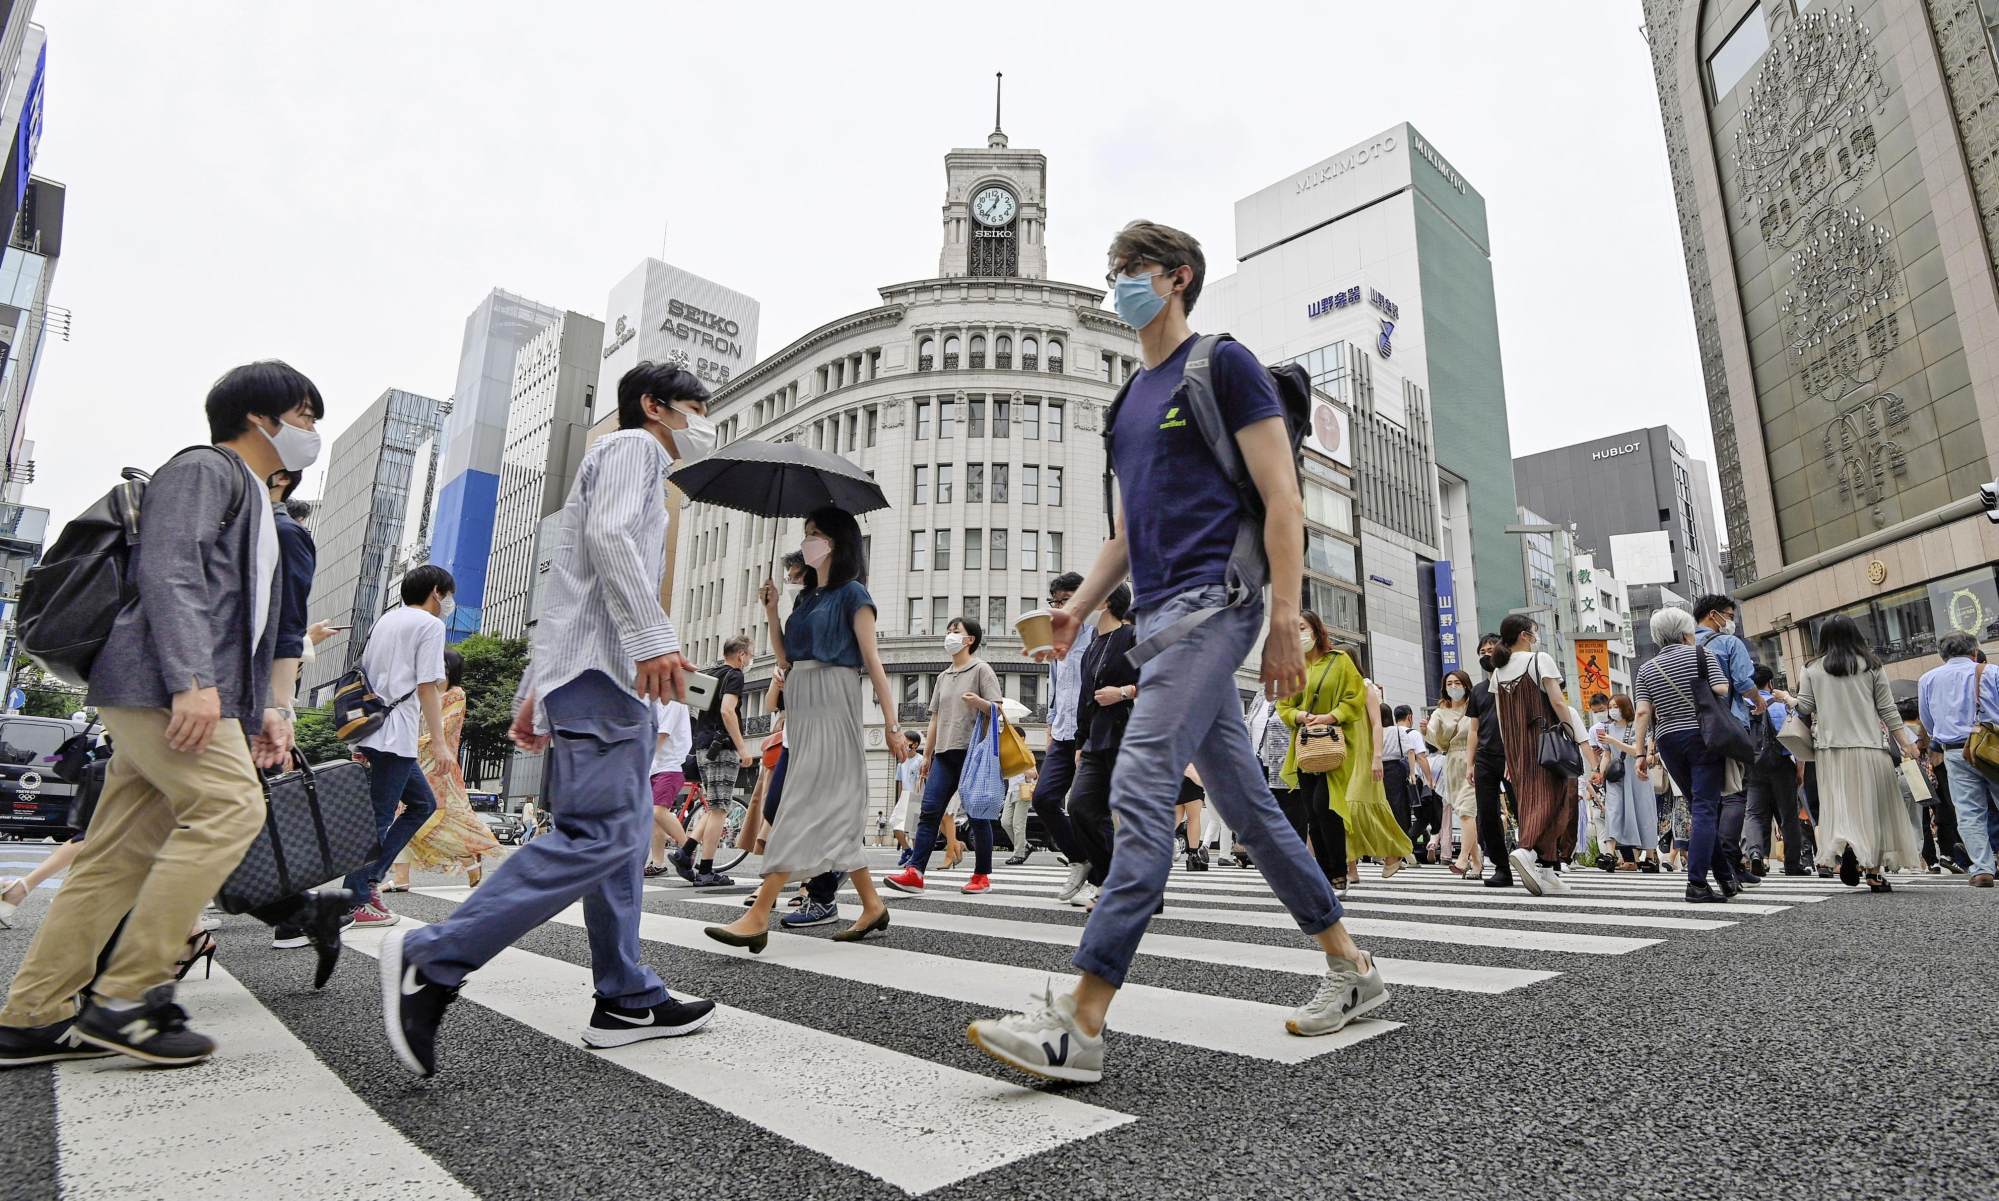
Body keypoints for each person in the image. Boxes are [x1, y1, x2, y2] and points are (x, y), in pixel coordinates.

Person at [966, 220, 1386, 1084]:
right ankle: (1353, 968)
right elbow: (1126, 531)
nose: (1117, 282)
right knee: (1254, 809)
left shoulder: (1220, 364)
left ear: (1177, 278)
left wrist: (1282, 617)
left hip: (1216, 605)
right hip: (1156, 621)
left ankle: (1080, 1018)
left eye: (1131, 269)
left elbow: (1282, 498)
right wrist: (1079, 610)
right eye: (1111, 268)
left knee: (1140, 780)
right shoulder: (1126, 400)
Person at [378, 360, 719, 1078]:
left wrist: (536, 687)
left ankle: (626, 995)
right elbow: (608, 541)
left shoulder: (613, 460)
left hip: (588, 674)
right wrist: (656, 636)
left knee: (622, 845)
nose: (701, 422)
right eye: (693, 407)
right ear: (654, 406)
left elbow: (568, 589)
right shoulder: (632, 449)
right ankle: (432, 956)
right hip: (606, 675)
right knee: (599, 836)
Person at [0, 361, 319, 1069]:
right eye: (303, 415)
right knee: (232, 807)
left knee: (114, 854)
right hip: (159, 681)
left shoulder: (259, 504)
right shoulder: (206, 468)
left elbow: (254, 621)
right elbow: (170, 570)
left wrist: (262, 706)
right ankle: (129, 995)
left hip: (178, 688)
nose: (310, 431)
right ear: (259, 416)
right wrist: (192, 680)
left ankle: (32, 1015)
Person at [703, 506, 907, 949]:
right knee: (828, 808)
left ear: (836, 541)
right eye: (805, 532)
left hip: (835, 702)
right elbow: (785, 659)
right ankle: (872, 905)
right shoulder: (806, 598)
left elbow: (874, 662)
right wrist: (773, 612)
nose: (806, 541)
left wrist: (892, 726)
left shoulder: (854, 594)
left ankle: (760, 913)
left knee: (798, 803)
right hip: (802, 702)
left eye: (813, 533)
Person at [340, 564, 454, 926]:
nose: (448, 602)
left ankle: (369, 881)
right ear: (436, 591)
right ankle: (355, 899)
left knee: (422, 803)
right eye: (447, 594)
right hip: (396, 732)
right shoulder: (431, 625)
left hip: (371, 725)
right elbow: (427, 687)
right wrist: (439, 742)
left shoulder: (384, 621)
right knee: (381, 815)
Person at [1793, 615, 1922, 891]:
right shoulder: (1872, 666)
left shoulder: (1811, 669)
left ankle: (1850, 845)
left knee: (1841, 807)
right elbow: (1888, 710)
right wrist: (1906, 744)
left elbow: (1804, 707)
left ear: (1823, 639)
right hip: (1870, 749)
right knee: (1872, 810)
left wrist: (1789, 700)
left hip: (1831, 752)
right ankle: (1873, 873)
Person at [883, 617, 1006, 894]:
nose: (949, 635)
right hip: (944, 755)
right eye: (948, 631)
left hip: (973, 754)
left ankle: (981, 876)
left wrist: (980, 703)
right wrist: (927, 755)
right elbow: (935, 719)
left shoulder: (981, 669)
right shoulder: (942, 676)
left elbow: (998, 710)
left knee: (977, 815)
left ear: (969, 640)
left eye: (955, 631)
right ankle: (915, 872)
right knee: (929, 812)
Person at [1632, 606, 1737, 903]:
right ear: (1684, 632)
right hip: (1702, 735)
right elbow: (1720, 689)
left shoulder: (1647, 668)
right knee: (1705, 807)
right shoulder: (1702, 655)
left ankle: (1726, 877)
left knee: (1698, 806)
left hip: (1667, 741)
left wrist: (1640, 754)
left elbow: (1642, 712)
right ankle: (1696, 883)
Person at [1489, 615, 1585, 896]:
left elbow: (1501, 717)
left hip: (1517, 747)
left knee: (1533, 800)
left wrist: (1509, 754)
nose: (1536, 636)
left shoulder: (1497, 672)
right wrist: (1572, 732)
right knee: (1552, 800)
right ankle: (1526, 850)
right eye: (1534, 631)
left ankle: (1546, 867)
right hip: (1545, 742)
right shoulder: (1538, 659)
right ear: (1523, 635)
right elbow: (1557, 700)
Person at [1064, 584, 1139, 910]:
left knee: (1134, 814)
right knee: (1080, 806)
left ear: (1106, 600)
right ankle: (1111, 878)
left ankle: (1139, 889)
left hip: (1130, 734)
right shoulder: (1092, 646)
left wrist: (1122, 692)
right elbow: (1085, 700)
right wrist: (1081, 742)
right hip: (1097, 738)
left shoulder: (1133, 636)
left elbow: (1156, 678)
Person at [403, 649, 500, 884]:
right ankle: (401, 876)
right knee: (407, 816)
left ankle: (468, 857)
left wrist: (408, 742)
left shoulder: (456, 694)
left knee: (441, 817)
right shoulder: (422, 692)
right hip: (414, 762)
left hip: (440, 766)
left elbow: (445, 726)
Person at [1026, 572, 1096, 899]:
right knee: (1043, 798)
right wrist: (1052, 726)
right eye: (1054, 602)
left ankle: (1101, 878)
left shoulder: (1097, 635)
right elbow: (1055, 684)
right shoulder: (1057, 640)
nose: (1058, 608)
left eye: (1065, 601)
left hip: (1091, 733)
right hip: (1063, 733)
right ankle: (1079, 859)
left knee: (1086, 806)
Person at [1916, 632, 1999, 888]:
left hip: (1954, 750)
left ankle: (1983, 868)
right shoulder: (1992, 672)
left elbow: (1927, 722)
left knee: (1968, 811)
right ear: (1974, 651)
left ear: (1943, 655)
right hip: (1993, 746)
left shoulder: (1928, 679)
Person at [673, 636, 757, 888]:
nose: (750, 660)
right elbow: (727, 710)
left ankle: (685, 852)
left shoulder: (713, 674)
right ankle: (707, 870)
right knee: (720, 809)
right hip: (721, 748)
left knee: (713, 806)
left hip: (703, 745)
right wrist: (743, 748)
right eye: (750, 655)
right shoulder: (734, 675)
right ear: (741, 655)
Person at [1693, 594, 1764, 885]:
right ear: (1714, 615)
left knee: (1708, 795)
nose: (1731, 622)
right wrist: (1758, 702)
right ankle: (1730, 857)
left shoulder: (1685, 645)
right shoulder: (1729, 643)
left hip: (1694, 728)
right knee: (1736, 791)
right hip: (1729, 725)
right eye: (1729, 616)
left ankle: (1718, 861)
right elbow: (1744, 682)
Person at [1744, 664, 1807, 876]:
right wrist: (1799, 769)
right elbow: (1794, 739)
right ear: (1770, 683)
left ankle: (1754, 854)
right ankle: (1792, 863)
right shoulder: (1780, 705)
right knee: (1788, 814)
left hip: (1752, 765)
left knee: (1753, 813)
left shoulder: (1743, 706)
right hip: (1780, 764)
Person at [1463, 634, 1515, 888]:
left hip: (1514, 756)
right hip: (1485, 758)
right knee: (1486, 813)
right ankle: (1501, 867)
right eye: (1482, 651)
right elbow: (1474, 729)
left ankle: (1538, 860)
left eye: (1491, 649)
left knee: (1522, 808)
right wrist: (1469, 763)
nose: (1487, 654)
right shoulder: (1478, 691)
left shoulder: (1515, 682)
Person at [1588, 695, 1660, 873]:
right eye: (1610, 706)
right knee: (1613, 813)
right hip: (1616, 779)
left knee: (1643, 813)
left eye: (1615, 706)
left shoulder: (1636, 726)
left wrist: (1613, 741)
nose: (1612, 710)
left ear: (1625, 707)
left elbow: (1638, 752)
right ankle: (1610, 854)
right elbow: (1606, 755)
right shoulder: (1606, 728)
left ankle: (1650, 857)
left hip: (1637, 776)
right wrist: (1600, 773)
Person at [1426, 670, 1480, 878]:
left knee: (1467, 811)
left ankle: (1463, 858)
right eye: (1450, 683)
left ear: (1466, 685)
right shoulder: (1440, 712)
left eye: (1458, 682)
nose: (1454, 687)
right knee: (1463, 813)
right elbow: (1437, 740)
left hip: (1473, 761)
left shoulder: (1475, 706)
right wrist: (1425, 730)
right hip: (1452, 762)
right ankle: (1477, 863)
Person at [645, 699, 694, 877]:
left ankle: (687, 851)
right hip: (655, 767)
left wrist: (642, 756)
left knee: (658, 811)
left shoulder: (674, 700)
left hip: (671, 765)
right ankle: (658, 863)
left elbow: (663, 734)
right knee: (654, 817)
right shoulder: (652, 699)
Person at [891, 732, 923, 864]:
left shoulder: (921, 760)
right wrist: (899, 799)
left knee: (913, 832)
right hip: (904, 796)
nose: (904, 744)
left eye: (907, 741)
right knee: (894, 824)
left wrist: (919, 797)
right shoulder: (901, 761)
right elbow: (899, 782)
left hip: (916, 796)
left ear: (914, 744)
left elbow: (922, 779)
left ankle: (915, 860)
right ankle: (907, 850)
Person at [1002, 768, 1038, 866]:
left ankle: (1019, 855)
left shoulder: (1026, 754)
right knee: (1005, 822)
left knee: (1018, 825)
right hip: (1011, 791)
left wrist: (1023, 769)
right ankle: (1025, 845)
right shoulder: (1010, 757)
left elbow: (1034, 775)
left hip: (1023, 790)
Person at [1176, 766, 1209, 871]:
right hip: (1192, 777)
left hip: (1173, 775)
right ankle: (1193, 857)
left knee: (1174, 818)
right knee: (1193, 818)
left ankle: (1157, 854)